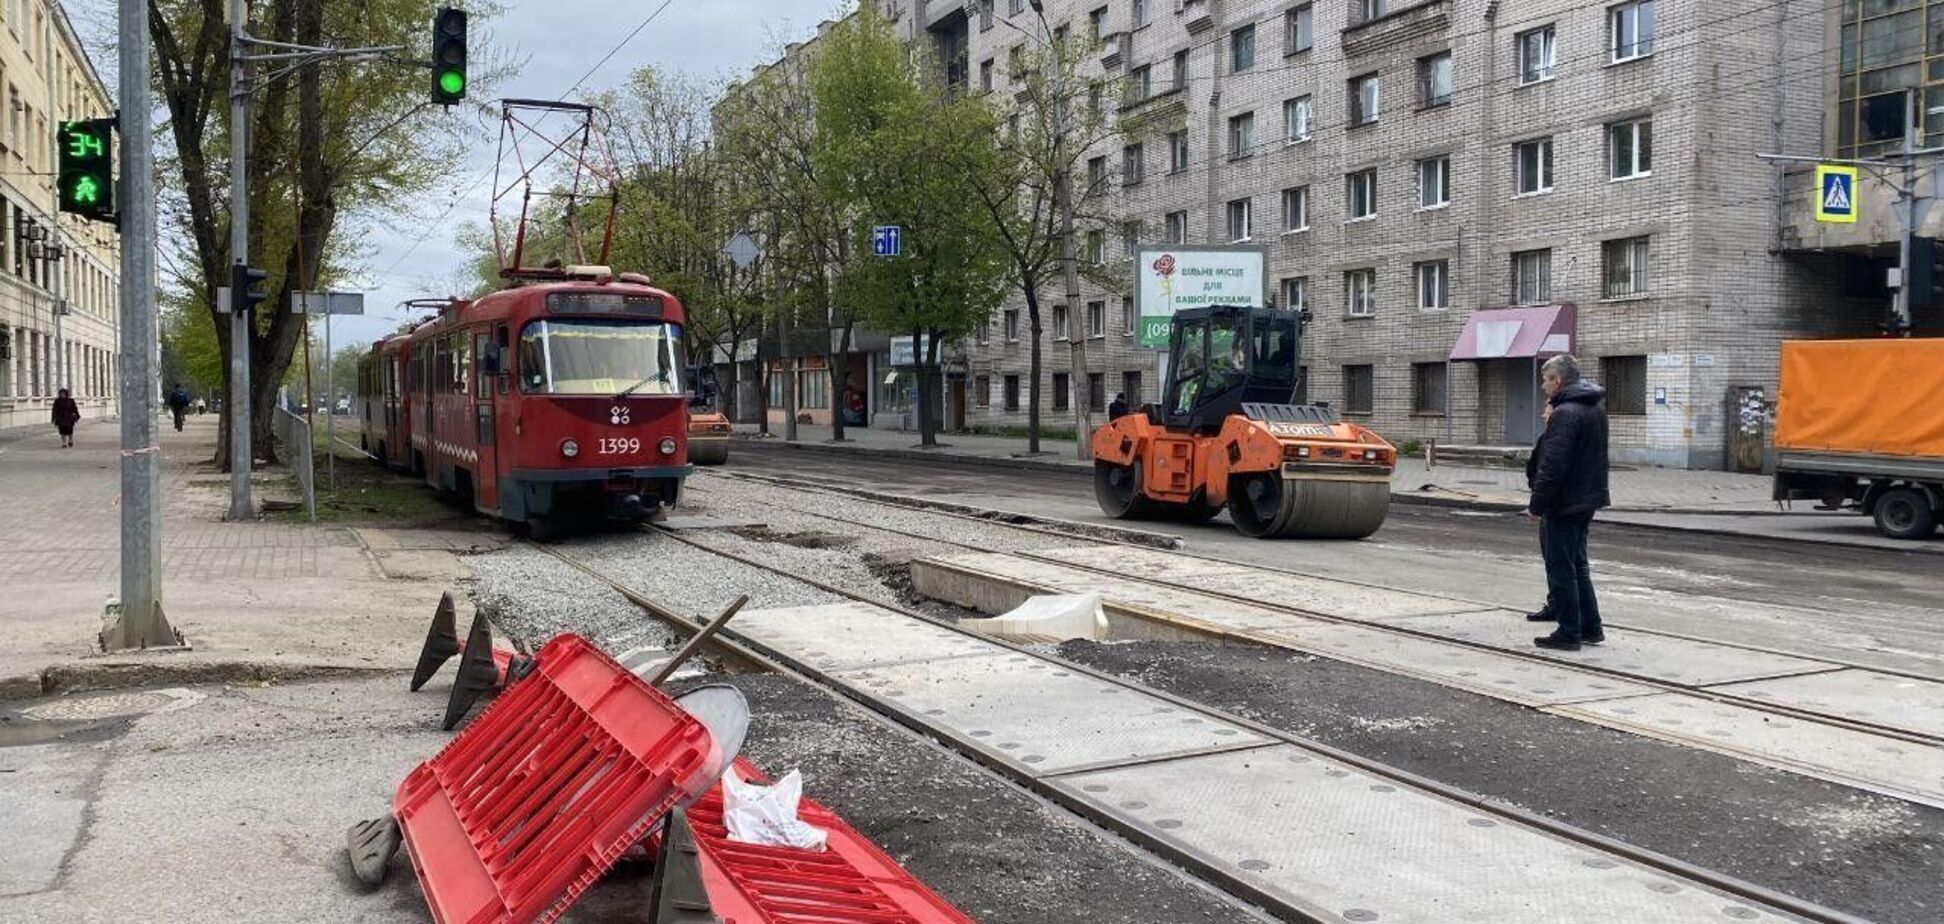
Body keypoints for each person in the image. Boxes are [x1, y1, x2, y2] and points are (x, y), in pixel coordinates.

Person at [1527, 355, 1611, 652]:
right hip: (1587, 498)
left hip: (1565, 501)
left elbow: (1552, 465)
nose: (1543, 385)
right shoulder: (1594, 408)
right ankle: (1591, 626)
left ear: (1558, 381)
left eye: (1546, 379)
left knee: (1561, 567)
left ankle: (1568, 631)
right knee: (1578, 564)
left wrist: (1537, 504)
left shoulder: (1565, 413)